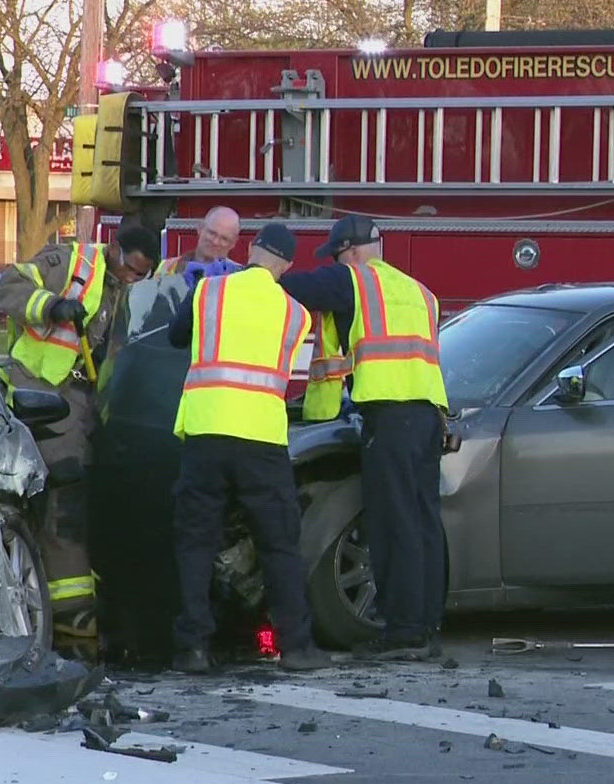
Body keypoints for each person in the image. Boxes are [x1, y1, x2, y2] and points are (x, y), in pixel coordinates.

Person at [276, 214, 448, 661]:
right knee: (425, 522)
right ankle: (426, 625)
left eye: (335, 256)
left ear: (350, 252)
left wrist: (253, 273)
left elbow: (292, 288)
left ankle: (404, 632)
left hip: (389, 418)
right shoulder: (420, 292)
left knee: (393, 524)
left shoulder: (355, 281)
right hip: (429, 416)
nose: (334, 264)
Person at [163, 223, 332, 674]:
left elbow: (175, 337)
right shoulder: (296, 314)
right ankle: (295, 646)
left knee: (196, 543)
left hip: (205, 433)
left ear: (251, 249)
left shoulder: (208, 292)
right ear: (287, 266)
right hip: (262, 441)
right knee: (279, 545)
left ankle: (193, 647)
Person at [0, 224, 162, 641]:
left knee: (84, 495)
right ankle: (71, 614)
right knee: (65, 495)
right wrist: (53, 307)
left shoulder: (128, 292)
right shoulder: (69, 263)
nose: (133, 279)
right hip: (43, 388)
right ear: (116, 251)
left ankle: (78, 605)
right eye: (132, 270)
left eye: (143, 276)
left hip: (86, 398)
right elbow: (9, 288)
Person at [157, 206, 242, 284]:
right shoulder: (167, 267)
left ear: (233, 243)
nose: (215, 242)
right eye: (212, 233)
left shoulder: (239, 276)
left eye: (224, 239)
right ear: (200, 228)